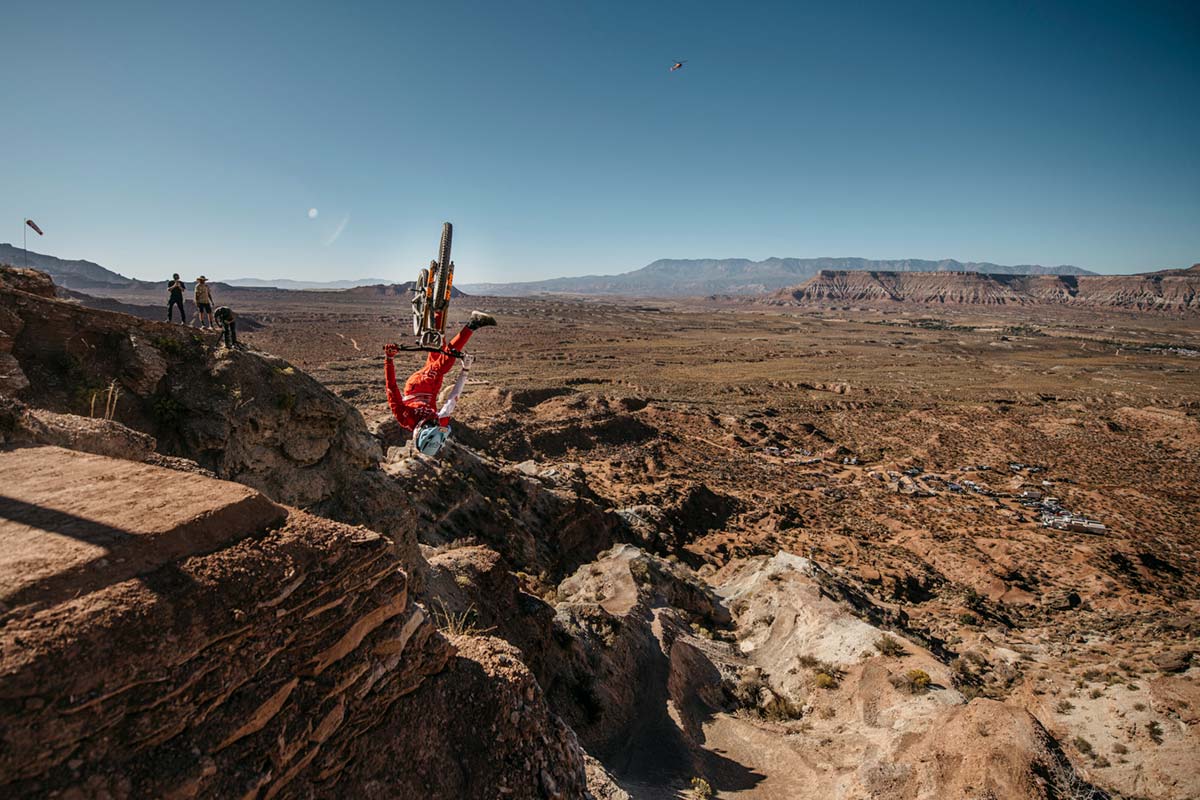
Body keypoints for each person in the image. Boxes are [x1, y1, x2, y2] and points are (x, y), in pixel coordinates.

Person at [384, 311, 496, 456]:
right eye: (434, 425)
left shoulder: (405, 417)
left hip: (416, 386)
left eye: (429, 425)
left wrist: (389, 359)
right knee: (438, 344)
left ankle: (473, 323)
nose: (433, 422)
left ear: (420, 430)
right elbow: (454, 397)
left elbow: (391, 388)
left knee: (444, 364)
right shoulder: (439, 423)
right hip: (433, 388)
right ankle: (438, 309)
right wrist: (465, 369)